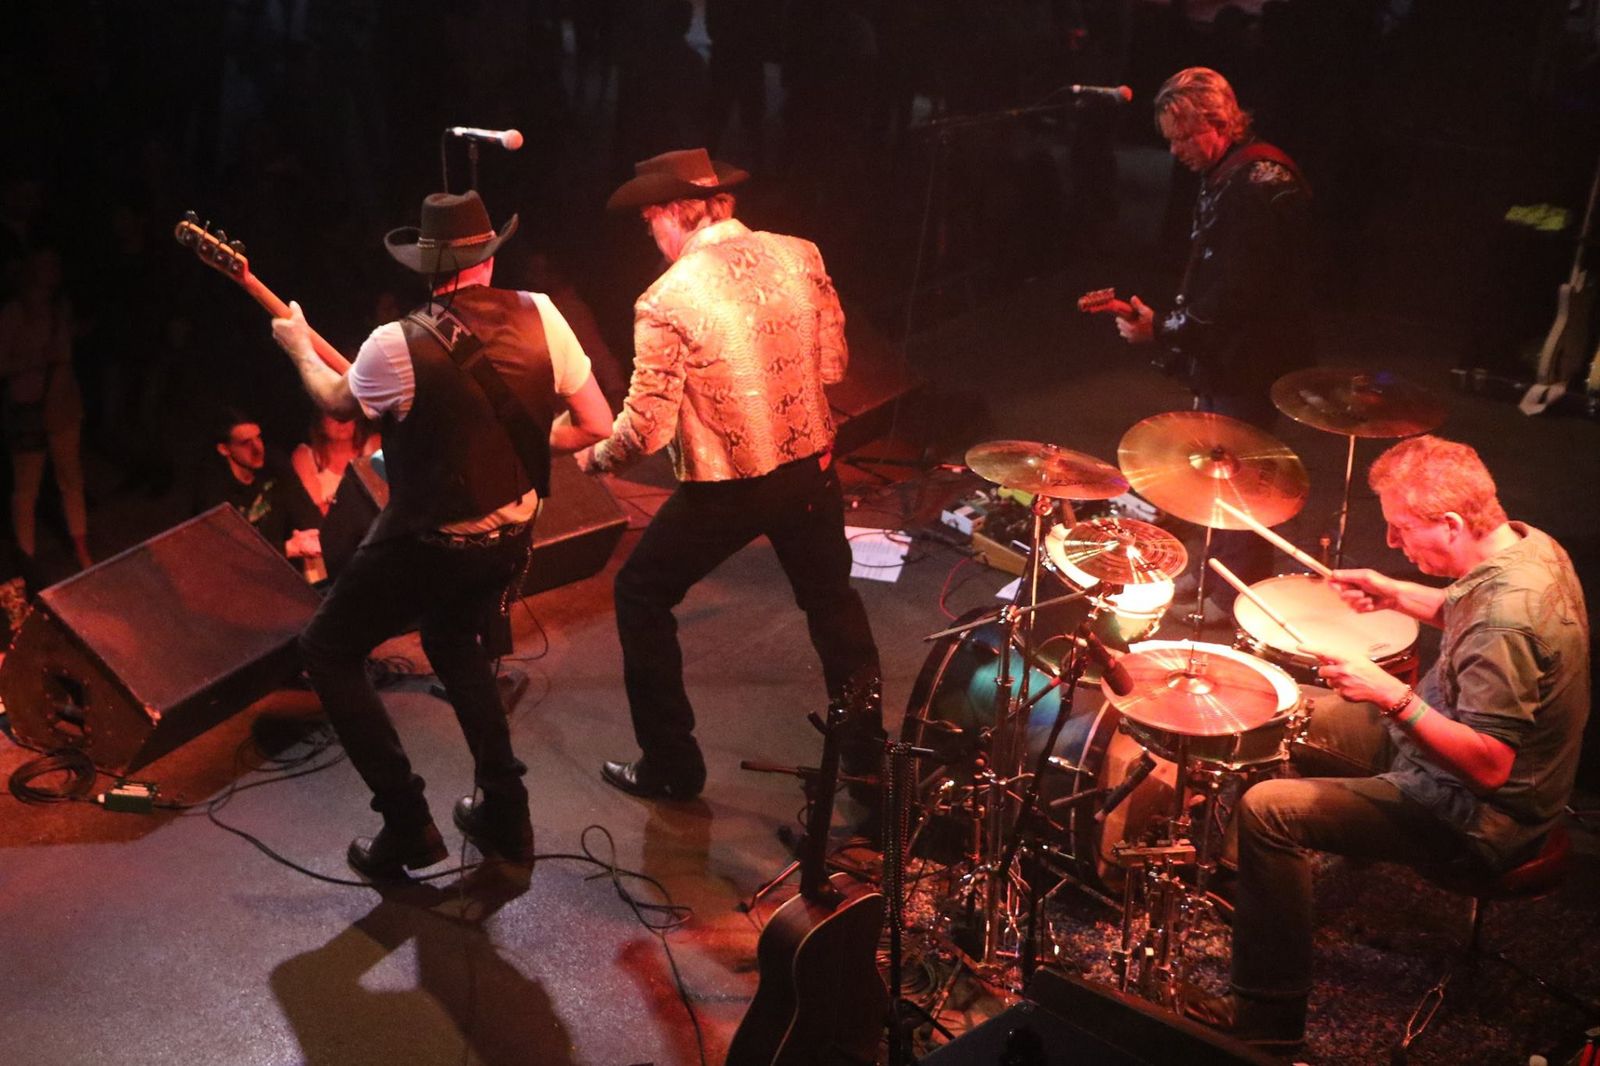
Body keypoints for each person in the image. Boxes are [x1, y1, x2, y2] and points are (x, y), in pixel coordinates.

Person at [1189, 435, 1590, 1047]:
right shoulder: (1528, 547)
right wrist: (1393, 590)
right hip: (1435, 752)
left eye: (1402, 529)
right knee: (1277, 706)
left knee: (1269, 812)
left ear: (1452, 523)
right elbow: (1467, 609)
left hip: (1478, 815)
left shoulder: (1508, 619)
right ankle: (1253, 890)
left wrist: (1391, 695)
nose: (1393, 543)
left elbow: (1490, 767)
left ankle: (1266, 1025)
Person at [269, 190, 613, 880]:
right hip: (511, 535)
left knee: (327, 650)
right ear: (488, 259)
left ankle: (406, 822)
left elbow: (334, 401)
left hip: (432, 543)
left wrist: (299, 348)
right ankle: (506, 811)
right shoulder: (543, 312)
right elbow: (597, 425)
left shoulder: (394, 343)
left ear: (426, 267)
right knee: (453, 642)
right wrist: (521, 444)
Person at [578, 147, 883, 802]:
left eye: (650, 223)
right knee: (833, 604)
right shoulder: (801, 254)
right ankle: (868, 764)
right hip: (809, 469)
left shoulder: (664, 299)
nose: (652, 236)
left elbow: (646, 431)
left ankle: (672, 766)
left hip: (728, 489)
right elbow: (833, 367)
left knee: (640, 593)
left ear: (670, 213)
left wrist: (590, 459)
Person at [1109, 67, 1313, 608]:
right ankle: (1220, 579)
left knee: (1239, 478)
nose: (1175, 151)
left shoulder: (1255, 186)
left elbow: (1237, 296)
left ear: (1219, 123)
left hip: (1252, 360)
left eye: (1183, 137)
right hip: (1238, 354)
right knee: (1222, 472)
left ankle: (1231, 595)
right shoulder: (1237, 174)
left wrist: (1162, 329)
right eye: (1170, 140)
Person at [0, 247, 93, 571]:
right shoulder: (13, 314)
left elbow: (65, 353)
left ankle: (82, 551)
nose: (53, 269)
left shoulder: (59, 309)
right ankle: (27, 560)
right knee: (26, 490)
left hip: (63, 404)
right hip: (28, 409)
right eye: (46, 264)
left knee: (71, 478)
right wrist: (37, 359)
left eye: (55, 264)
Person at [194, 407, 324, 564]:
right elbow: (228, 553)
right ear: (224, 449)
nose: (257, 448)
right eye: (245, 443)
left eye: (258, 438)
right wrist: (287, 548)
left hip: (283, 569)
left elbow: (307, 515)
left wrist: (312, 537)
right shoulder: (214, 488)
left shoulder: (275, 465)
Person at [292, 411, 380, 516]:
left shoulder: (374, 446)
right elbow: (314, 511)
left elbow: (383, 501)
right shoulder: (305, 457)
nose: (341, 421)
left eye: (345, 412)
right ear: (320, 422)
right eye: (333, 414)